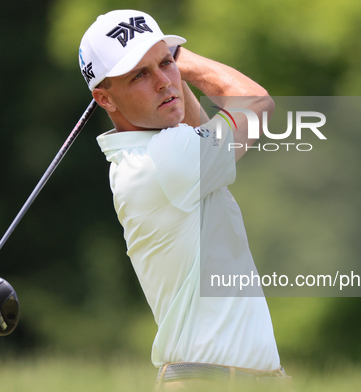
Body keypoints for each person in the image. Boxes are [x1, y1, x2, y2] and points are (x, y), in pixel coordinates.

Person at [78, 9, 290, 390]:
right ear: (104, 99)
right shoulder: (164, 160)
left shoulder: (148, 157)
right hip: (213, 381)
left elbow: (194, 129)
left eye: (163, 64)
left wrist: (168, 74)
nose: (162, 82)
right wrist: (182, 61)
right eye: (139, 75)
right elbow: (257, 104)